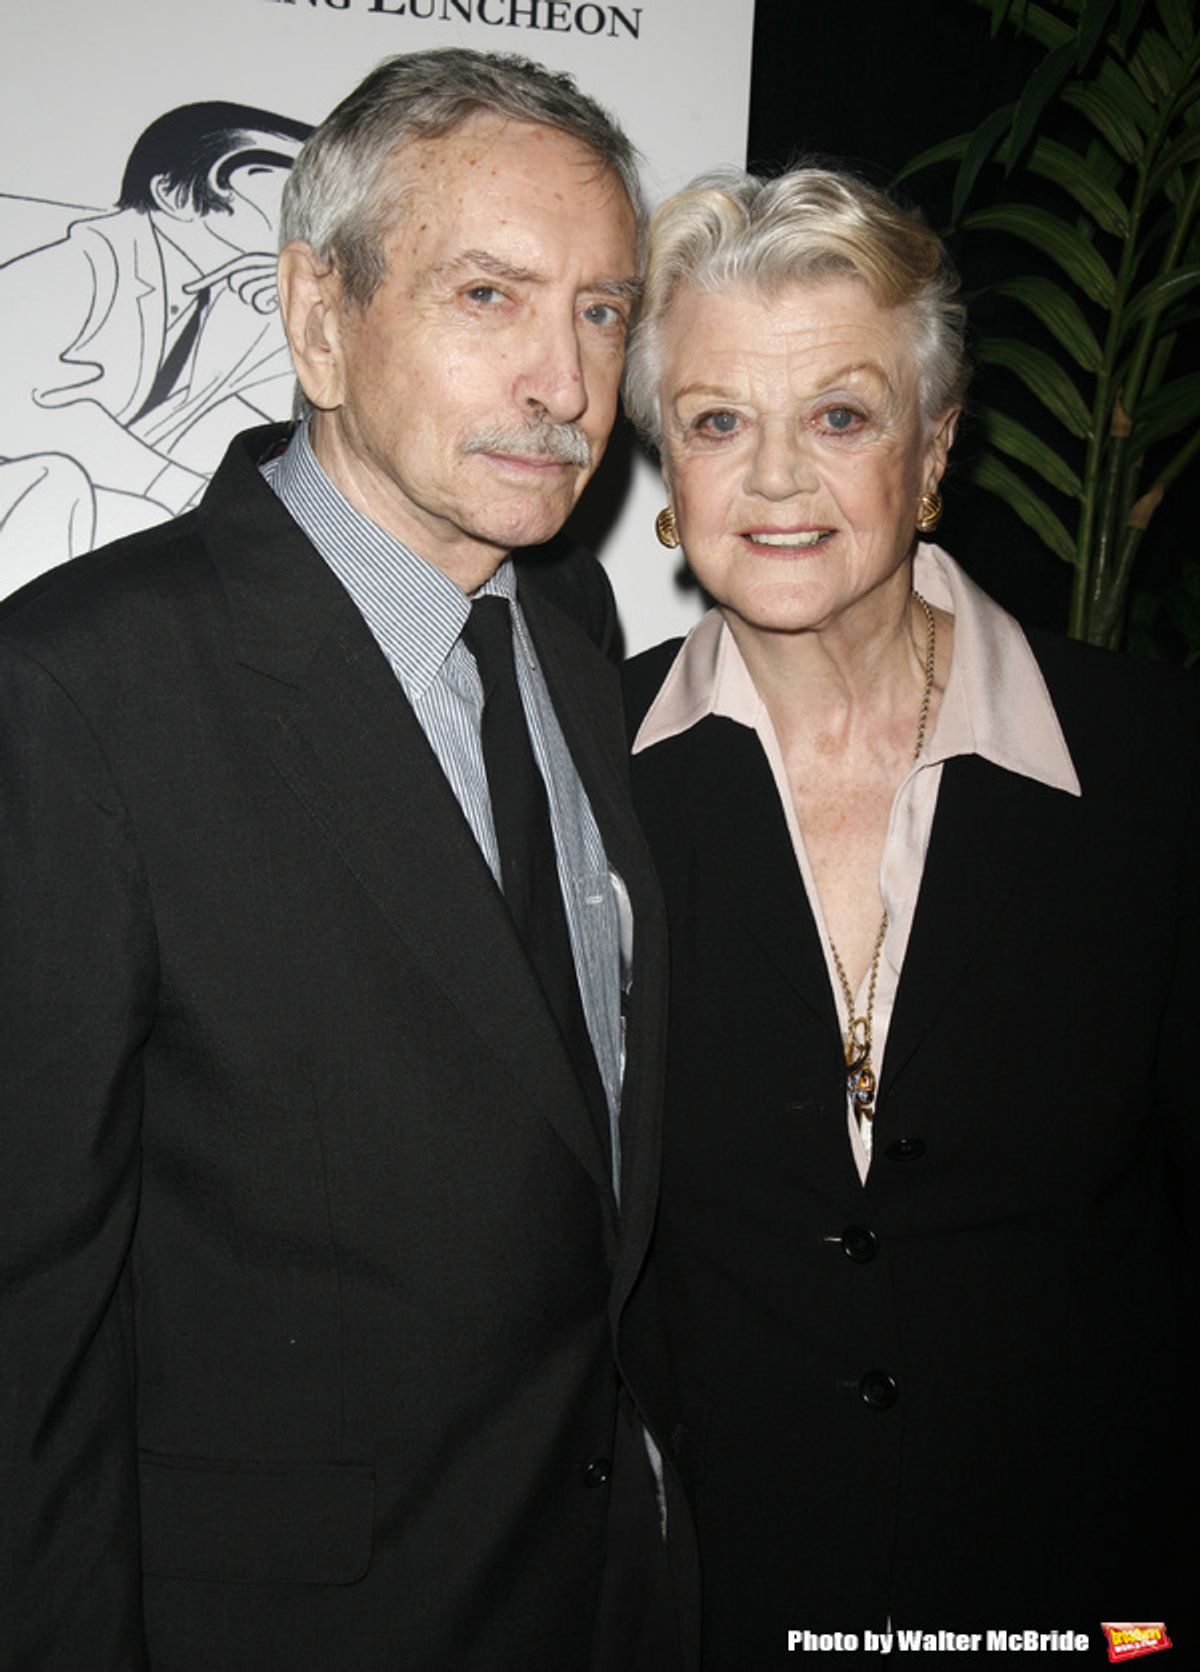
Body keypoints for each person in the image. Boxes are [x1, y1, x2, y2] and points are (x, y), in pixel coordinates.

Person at [0, 50, 689, 1671]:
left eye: (601, 311)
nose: (568, 385)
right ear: (317, 316)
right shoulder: (81, 691)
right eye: (489, 297)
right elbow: (25, 1333)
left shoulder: (581, 645)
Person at [620, 166, 1196, 1662]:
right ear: (666, 477)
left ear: (934, 453)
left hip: (1092, 1619)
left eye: (843, 415)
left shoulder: (1158, 769)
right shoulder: (581, 781)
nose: (778, 482)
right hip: (723, 1621)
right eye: (719, 421)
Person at [0, 102, 313, 585]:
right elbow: (25, 410)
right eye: (279, 180)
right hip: (41, 500)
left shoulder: (240, 298)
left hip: (126, 523)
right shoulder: (79, 262)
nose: (305, 208)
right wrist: (176, 487)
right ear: (173, 195)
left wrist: (301, 303)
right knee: (56, 482)